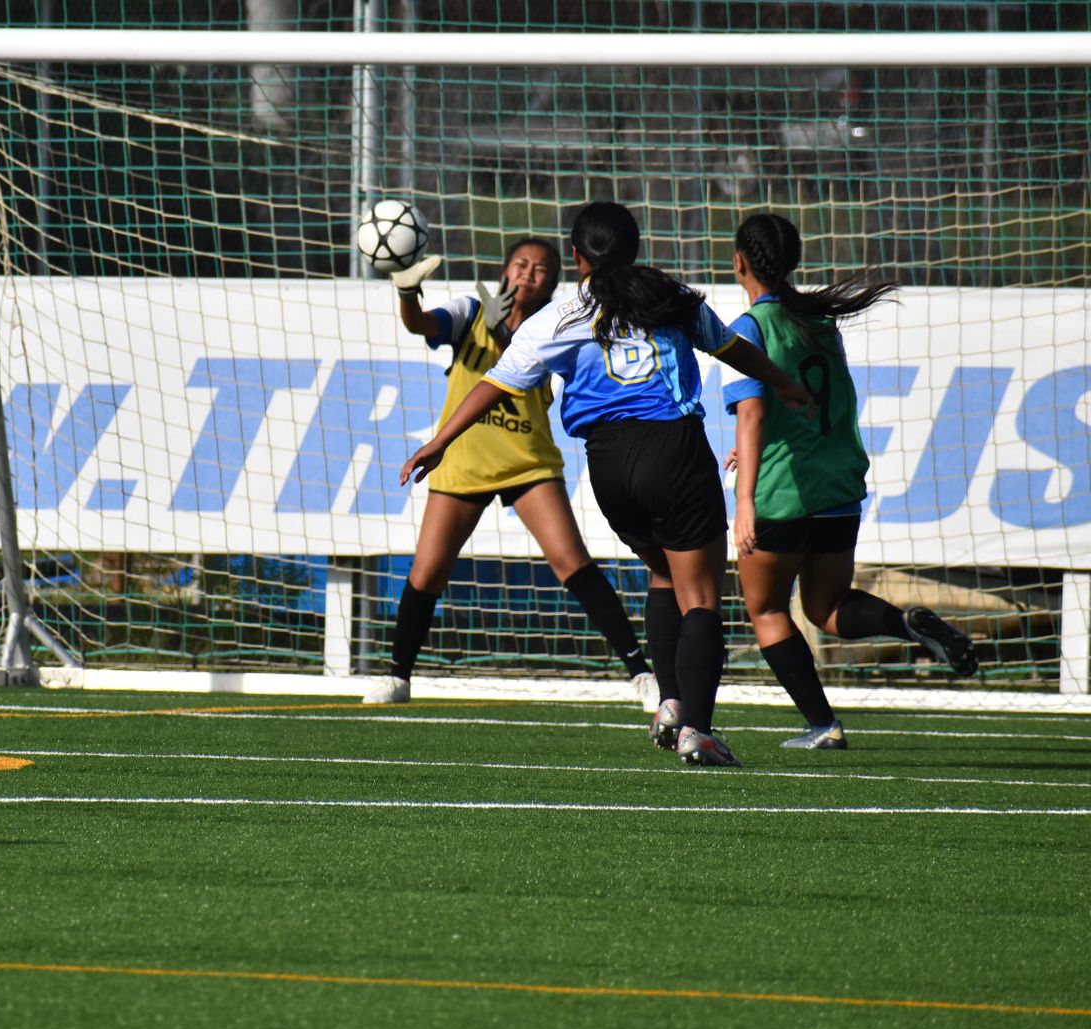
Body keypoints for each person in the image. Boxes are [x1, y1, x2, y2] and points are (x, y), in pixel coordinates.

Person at [400, 202, 813, 767]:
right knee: (703, 599)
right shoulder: (671, 296)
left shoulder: (558, 317)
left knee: (664, 573)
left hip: (609, 467)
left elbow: (496, 382)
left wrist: (440, 440)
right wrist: (784, 382)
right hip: (673, 450)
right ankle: (699, 730)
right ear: (635, 249)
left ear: (575, 256)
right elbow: (730, 348)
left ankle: (670, 701)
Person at [365, 237, 659, 712]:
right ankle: (398, 676)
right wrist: (406, 292)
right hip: (464, 456)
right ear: (505, 270)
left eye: (540, 269)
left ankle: (642, 675)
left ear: (555, 282)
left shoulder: (559, 322)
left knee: (573, 562)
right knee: (427, 571)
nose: (528, 273)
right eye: (520, 264)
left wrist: (506, 333)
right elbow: (421, 323)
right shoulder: (470, 311)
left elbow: (525, 367)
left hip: (527, 457)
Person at [723, 213, 978, 750]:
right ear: (792, 260)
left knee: (767, 610)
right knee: (826, 606)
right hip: (838, 484)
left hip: (783, 491)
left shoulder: (750, 329)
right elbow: (815, 406)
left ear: (740, 261)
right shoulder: (820, 322)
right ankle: (908, 624)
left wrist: (744, 500)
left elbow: (751, 416)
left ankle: (823, 725)